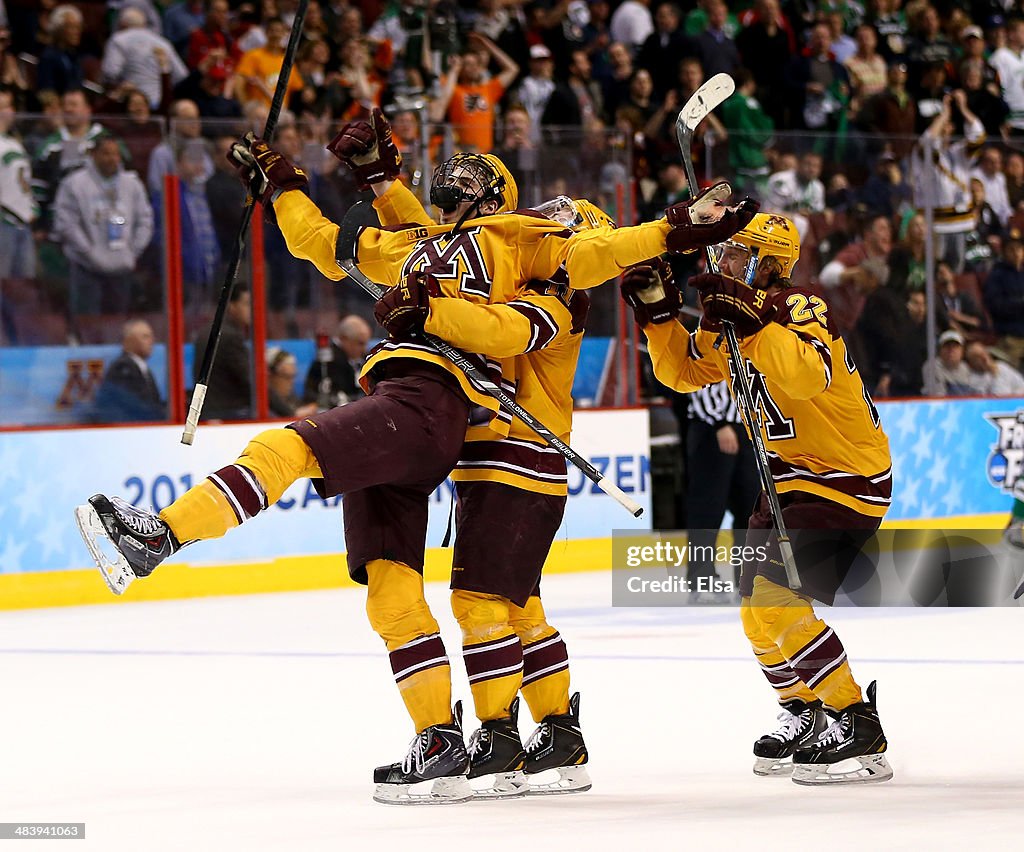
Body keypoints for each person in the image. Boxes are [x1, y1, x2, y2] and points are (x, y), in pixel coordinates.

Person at [76, 124, 749, 804]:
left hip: (497, 437)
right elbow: (348, 242)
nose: (552, 222)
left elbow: (543, 290)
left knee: (485, 601)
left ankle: (503, 736)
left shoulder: (541, 279)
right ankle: (458, 737)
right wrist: (294, 187)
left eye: (560, 226)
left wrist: (673, 228)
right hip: (462, 438)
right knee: (423, 595)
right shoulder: (445, 245)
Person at [330, 112, 622, 797]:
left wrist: (426, 311)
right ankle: (554, 736)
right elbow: (443, 243)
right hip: (492, 453)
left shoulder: (552, 298)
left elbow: (496, 329)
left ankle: (499, 736)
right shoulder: (503, 265)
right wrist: (382, 181)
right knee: (517, 607)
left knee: (479, 601)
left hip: (518, 455)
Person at [620, 212, 893, 785]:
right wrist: (659, 316)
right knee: (754, 612)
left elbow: (807, 378)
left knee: (775, 601)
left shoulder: (800, 304)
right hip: (788, 477)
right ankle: (807, 712)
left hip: (843, 476)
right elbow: (685, 374)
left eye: (737, 253)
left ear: (770, 264)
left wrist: (753, 326)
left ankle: (856, 722)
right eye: (723, 254)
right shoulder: (731, 318)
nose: (722, 263)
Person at [52, 134, 154, 342]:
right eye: (106, 153)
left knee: (117, 320)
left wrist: (132, 252)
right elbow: (66, 223)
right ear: (93, 155)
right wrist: (89, 252)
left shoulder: (131, 184)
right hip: (86, 266)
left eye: (116, 154)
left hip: (122, 265)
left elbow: (145, 220)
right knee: (86, 320)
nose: (112, 158)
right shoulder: (74, 183)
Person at [192, 284, 252, 420]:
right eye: (247, 304)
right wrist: (288, 411)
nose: (252, 309)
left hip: (208, 410)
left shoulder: (208, 330)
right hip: (228, 412)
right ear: (232, 306)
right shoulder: (230, 336)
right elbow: (250, 381)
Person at [92, 318, 164, 422]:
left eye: (151, 336)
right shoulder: (122, 368)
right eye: (145, 337)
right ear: (129, 341)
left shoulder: (143, 368)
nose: (151, 341)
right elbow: (132, 406)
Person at [301, 314, 371, 407]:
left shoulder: (364, 358)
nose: (364, 349)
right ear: (344, 338)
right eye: (360, 343)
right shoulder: (328, 361)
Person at [267, 347, 317, 418]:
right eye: (287, 377)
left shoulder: (292, 398)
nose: (291, 382)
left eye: (293, 376)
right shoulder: (262, 411)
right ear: (270, 376)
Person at [921, 328, 973, 396]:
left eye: (955, 346)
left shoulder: (965, 368)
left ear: (962, 351)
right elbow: (937, 397)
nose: (951, 350)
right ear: (940, 350)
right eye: (947, 346)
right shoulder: (932, 366)